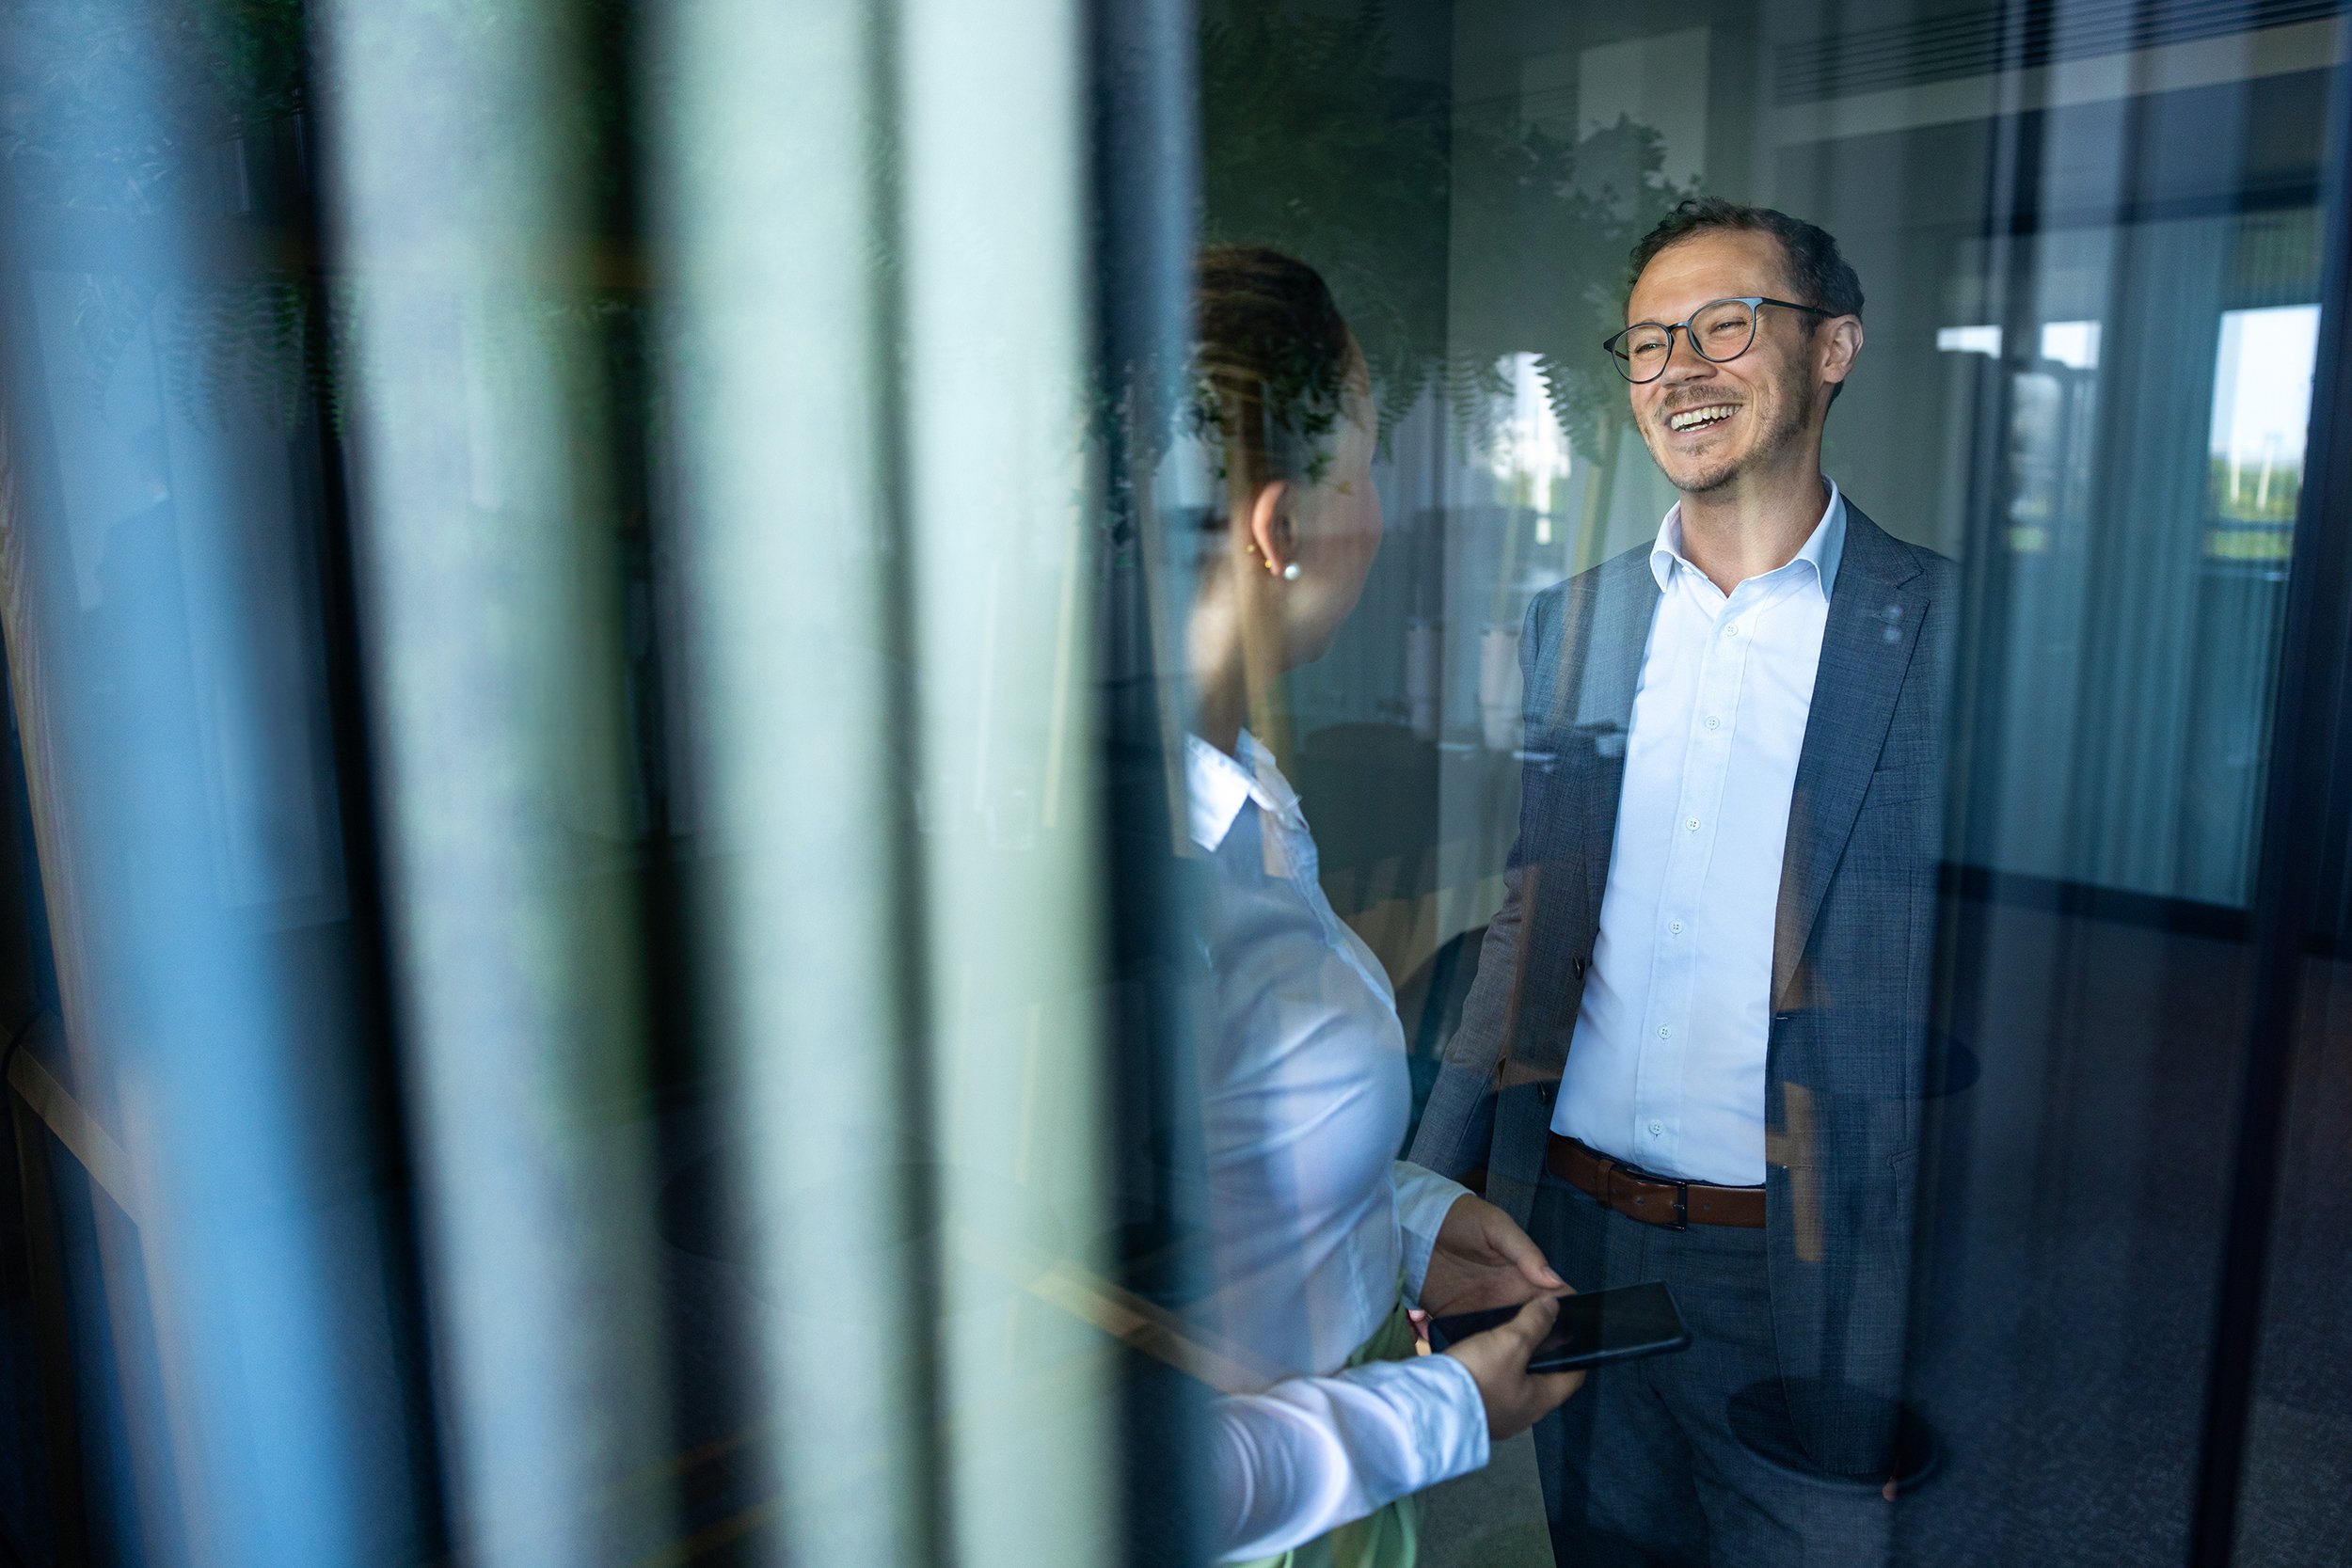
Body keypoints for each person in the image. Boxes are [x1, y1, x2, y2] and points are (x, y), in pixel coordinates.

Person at [1409, 198, 1954, 1567]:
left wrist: (1931, 1345)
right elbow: (1531, 921)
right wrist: (1427, 1194)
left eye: (1727, 325)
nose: (1679, 368)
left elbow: (1985, 998)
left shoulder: (1945, 632)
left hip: (1808, 1259)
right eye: (1649, 341)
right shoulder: (1573, 621)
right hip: (1576, 1237)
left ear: (1834, 350)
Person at [1183, 245, 1583, 1567]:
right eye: (1363, 469)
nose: (1384, 513)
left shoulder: (1243, 786)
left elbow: (1237, 1167)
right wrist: (1444, 1412)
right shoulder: (1150, 892)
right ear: (1280, 528)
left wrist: (1409, 1223)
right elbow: (1121, 1461)